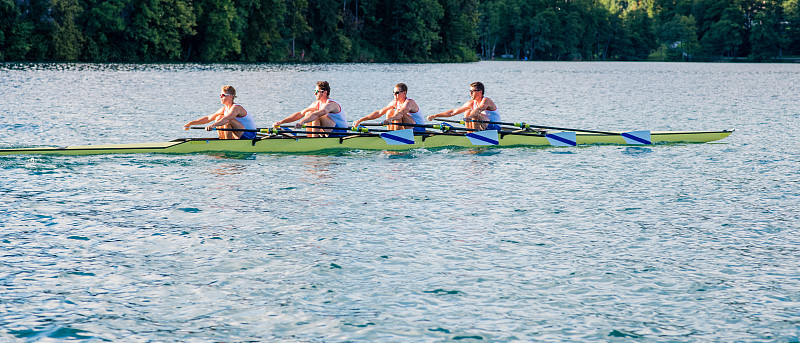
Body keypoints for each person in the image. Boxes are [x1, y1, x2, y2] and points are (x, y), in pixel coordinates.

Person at [272, 81, 348, 136]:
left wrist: (302, 122)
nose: (314, 93)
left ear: (325, 92)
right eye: (315, 91)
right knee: (308, 113)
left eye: (317, 91)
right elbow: (300, 114)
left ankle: (314, 141)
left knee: (315, 115)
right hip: (328, 131)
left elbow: (318, 113)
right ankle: (310, 138)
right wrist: (281, 122)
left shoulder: (331, 104)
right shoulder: (316, 103)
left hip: (340, 133)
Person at [183, 86, 257, 139]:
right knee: (219, 117)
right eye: (220, 95)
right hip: (239, 134)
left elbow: (227, 119)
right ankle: (223, 139)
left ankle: (228, 143)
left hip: (249, 135)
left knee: (227, 120)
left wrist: (213, 125)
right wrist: (190, 123)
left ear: (231, 96)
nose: (220, 97)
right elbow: (208, 118)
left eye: (222, 95)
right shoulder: (223, 109)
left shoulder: (237, 108)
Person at [351, 83, 425, 132]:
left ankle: (397, 135)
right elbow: (379, 113)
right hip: (407, 128)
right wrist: (360, 120)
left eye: (397, 93)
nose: (394, 95)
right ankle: (391, 133)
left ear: (404, 93)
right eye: (393, 92)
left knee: (397, 112)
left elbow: (401, 112)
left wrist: (390, 119)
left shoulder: (409, 102)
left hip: (418, 129)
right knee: (390, 111)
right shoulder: (394, 102)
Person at [427, 82, 501, 131]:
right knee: (467, 111)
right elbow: (453, 112)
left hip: (495, 128)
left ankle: (476, 135)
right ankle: (470, 133)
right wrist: (435, 115)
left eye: (472, 91)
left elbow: (479, 109)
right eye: (470, 91)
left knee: (473, 113)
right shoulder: (470, 103)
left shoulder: (486, 100)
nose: (470, 93)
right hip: (482, 126)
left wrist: (470, 116)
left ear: (480, 92)